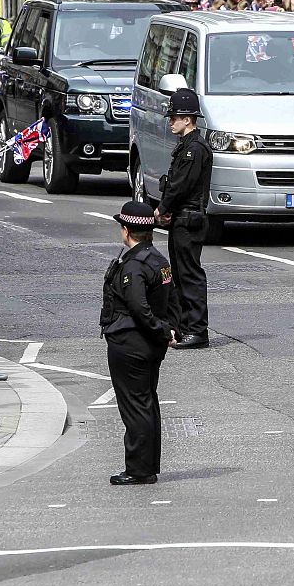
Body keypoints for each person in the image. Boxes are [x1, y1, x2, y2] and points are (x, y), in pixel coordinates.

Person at [102, 201, 180, 485]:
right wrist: (171, 329)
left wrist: (161, 330)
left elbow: (139, 307)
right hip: (149, 345)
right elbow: (172, 299)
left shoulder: (133, 266)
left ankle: (138, 469)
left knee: (135, 407)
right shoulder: (158, 260)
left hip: (131, 342)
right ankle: (146, 465)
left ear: (126, 230)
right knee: (146, 403)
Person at [154, 88, 213, 349]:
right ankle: (182, 327)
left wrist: (162, 208)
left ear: (188, 119)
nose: (170, 121)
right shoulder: (186, 147)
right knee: (179, 275)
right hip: (181, 219)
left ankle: (197, 331)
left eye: (174, 116)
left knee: (190, 276)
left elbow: (181, 186)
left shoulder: (194, 150)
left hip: (189, 220)